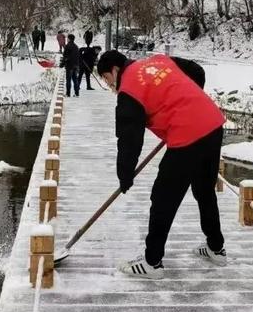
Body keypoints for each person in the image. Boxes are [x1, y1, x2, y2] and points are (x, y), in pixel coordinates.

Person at [96, 50, 226, 279]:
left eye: (107, 80)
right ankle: (216, 248)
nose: (110, 86)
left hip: (187, 134)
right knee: (204, 190)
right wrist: (186, 102)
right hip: (213, 123)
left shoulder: (128, 89)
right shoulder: (158, 60)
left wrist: (124, 175)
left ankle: (152, 262)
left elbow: (129, 139)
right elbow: (197, 72)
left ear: (114, 70)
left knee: (163, 198)